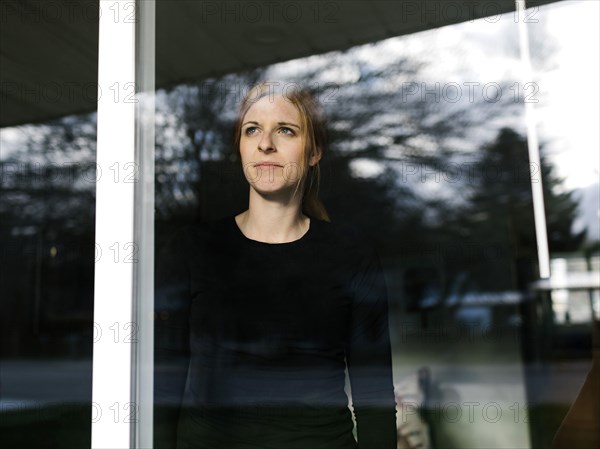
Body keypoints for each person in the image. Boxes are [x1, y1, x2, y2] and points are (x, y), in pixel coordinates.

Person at [155, 82, 397, 449]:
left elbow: (375, 390)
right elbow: (163, 386)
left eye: (286, 130)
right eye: (252, 130)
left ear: (314, 151)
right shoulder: (193, 250)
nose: (265, 143)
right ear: (240, 147)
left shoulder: (351, 254)